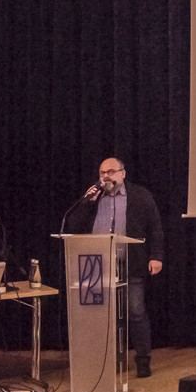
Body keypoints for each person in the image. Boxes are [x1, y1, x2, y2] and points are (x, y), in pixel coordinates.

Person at [63, 156, 166, 378]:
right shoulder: (93, 196)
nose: (106, 177)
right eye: (102, 173)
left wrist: (156, 256)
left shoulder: (140, 196)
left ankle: (143, 359)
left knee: (135, 311)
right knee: (97, 313)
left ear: (123, 174)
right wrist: (86, 203)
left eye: (110, 172)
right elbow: (73, 225)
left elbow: (155, 227)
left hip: (130, 261)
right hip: (95, 263)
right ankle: (102, 359)